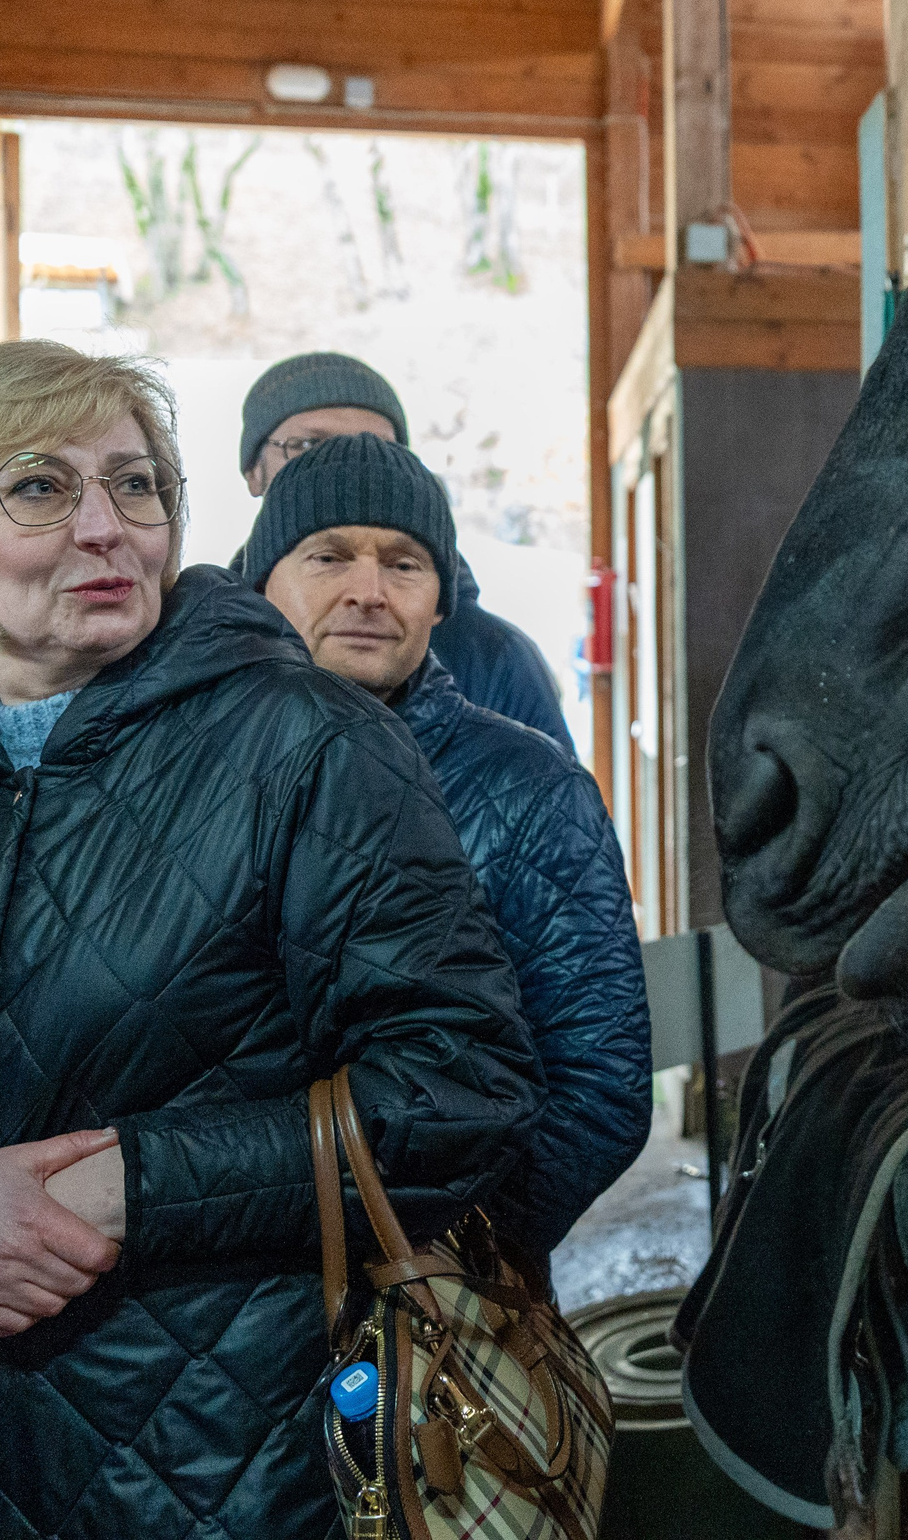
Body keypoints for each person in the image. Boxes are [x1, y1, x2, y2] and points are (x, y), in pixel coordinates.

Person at [0, 341, 541, 1538]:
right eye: (38, 487)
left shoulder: (307, 748)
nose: (106, 527)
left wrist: (121, 1187)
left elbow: (460, 1088)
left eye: (138, 485)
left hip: (222, 1465)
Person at [246, 432, 650, 1255]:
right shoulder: (192, 763)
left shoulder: (531, 789)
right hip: (215, 1293)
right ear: (264, 584)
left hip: (431, 1302)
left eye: (403, 564)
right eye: (329, 557)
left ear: (438, 601)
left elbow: (600, 1082)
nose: (369, 591)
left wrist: (455, 1256)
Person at [238, 352, 578, 755]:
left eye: (376, 447)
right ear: (252, 472)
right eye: (310, 445)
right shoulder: (200, 643)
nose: (349, 465)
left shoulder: (493, 656)